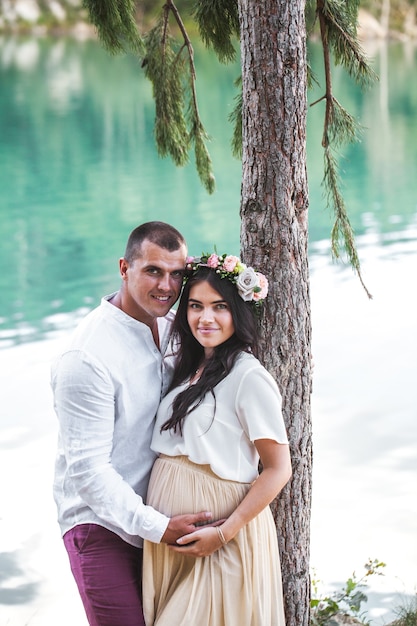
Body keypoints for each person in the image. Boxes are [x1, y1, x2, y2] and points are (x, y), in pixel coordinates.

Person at [51, 222, 214, 626]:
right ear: (124, 268)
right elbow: (88, 473)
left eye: (177, 274)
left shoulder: (176, 329)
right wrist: (158, 527)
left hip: (159, 518)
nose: (167, 286)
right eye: (153, 271)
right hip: (102, 526)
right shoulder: (87, 356)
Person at [143, 252, 292, 626]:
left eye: (218, 307)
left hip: (222, 536)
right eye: (195, 306)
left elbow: (278, 469)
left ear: (238, 313)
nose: (204, 318)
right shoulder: (189, 366)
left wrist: (224, 533)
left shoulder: (248, 377)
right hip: (173, 540)